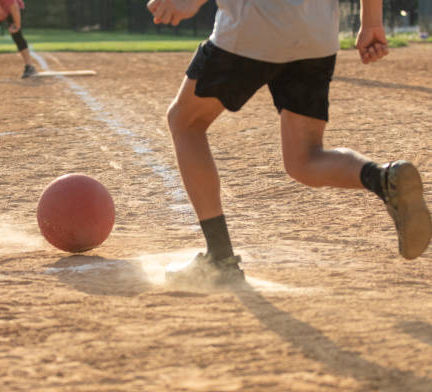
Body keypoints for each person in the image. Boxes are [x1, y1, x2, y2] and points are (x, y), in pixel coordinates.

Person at [147, 0, 432, 286]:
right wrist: (371, 22)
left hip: (253, 26)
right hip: (316, 35)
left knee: (186, 122)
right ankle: (384, 179)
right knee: (305, 159)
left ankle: (220, 258)